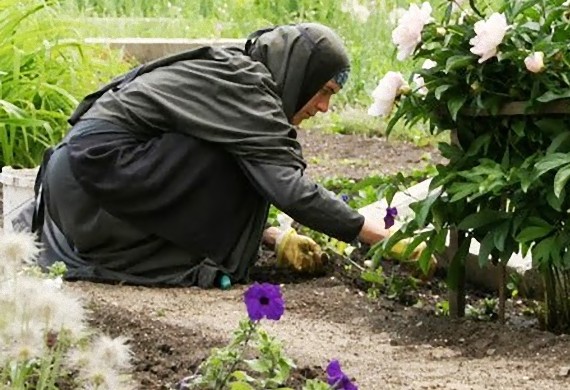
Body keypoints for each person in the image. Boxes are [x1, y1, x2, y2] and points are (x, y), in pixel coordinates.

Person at [22, 22, 391, 288]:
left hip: (78, 179)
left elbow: (187, 180)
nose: (323, 107)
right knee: (245, 161)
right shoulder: (250, 91)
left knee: (244, 155)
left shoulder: (238, 73)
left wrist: (271, 235)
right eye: (323, 91)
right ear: (301, 74)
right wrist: (377, 235)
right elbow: (288, 189)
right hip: (94, 178)